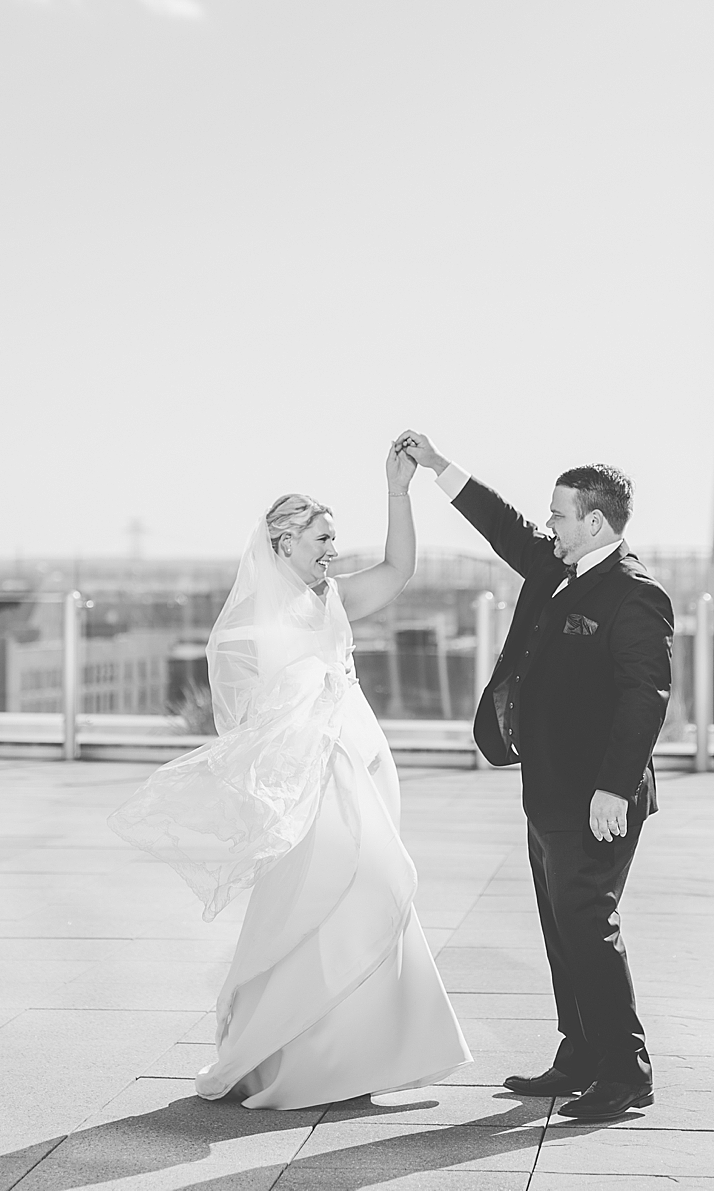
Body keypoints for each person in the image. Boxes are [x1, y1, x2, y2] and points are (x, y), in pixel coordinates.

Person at [110, 440, 469, 1109]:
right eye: (321, 538)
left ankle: (357, 1053)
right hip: (309, 775)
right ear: (283, 542)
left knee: (367, 893)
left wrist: (398, 491)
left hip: (363, 761)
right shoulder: (246, 625)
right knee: (326, 895)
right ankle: (296, 1055)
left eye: (333, 537)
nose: (333, 550)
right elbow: (243, 719)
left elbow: (399, 568)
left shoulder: (334, 598)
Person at [396, 431, 673, 1122]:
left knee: (589, 926)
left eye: (558, 513)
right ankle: (579, 1055)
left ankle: (625, 1071)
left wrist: (614, 787)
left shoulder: (635, 594)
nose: (547, 523)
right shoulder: (555, 565)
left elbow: (645, 697)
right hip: (547, 789)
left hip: (598, 799)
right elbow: (503, 525)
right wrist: (437, 466)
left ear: (595, 522)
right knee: (561, 928)